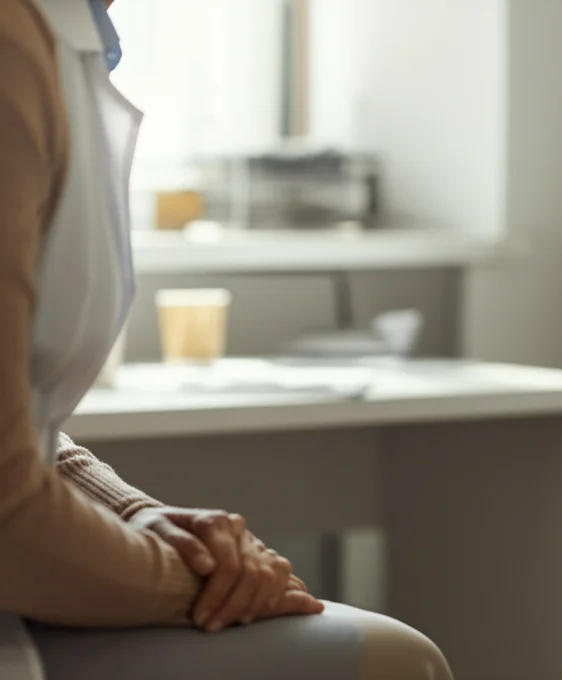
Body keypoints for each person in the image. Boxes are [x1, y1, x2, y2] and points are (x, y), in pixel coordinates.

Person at [0, 1, 453, 679]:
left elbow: (27, 430)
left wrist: (141, 516)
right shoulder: (15, 45)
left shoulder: (58, 34)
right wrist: (208, 584)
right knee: (396, 662)